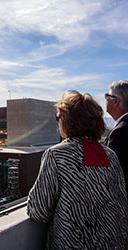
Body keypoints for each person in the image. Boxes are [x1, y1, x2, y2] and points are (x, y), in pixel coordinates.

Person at [27, 90, 128, 250]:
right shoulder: (110, 155)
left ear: (66, 121)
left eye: (58, 118)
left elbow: (38, 211)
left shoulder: (56, 155)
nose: (58, 122)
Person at [103, 80, 128, 193]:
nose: (105, 99)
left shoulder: (120, 132)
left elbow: (113, 174)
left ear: (116, 101)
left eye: (107, 96)